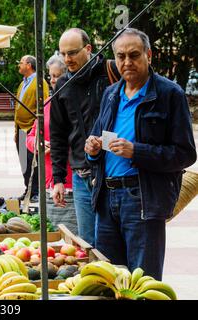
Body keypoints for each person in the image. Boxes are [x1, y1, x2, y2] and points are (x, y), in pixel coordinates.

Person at [85, 28, 196, 280]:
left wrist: (137, 151)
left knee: (143, 281)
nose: (127, 62)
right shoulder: (111, 94)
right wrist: (92, 150)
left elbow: (185, 154)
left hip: (143, 199)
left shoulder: (169, 94)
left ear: (149, 55)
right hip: (106, 197)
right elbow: (97, 141)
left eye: (134, 55)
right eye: (121, 56)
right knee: (106, 279)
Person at [50, 28, 120, 246]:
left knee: (112, 241)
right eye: (63, 54)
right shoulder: (63, 84)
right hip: (81, 174)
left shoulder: (111, 71)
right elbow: (58, 134)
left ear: (88, 49)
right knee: (87, 242)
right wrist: (59, 179)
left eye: (72, 53)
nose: (67, 59)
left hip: (111, 171)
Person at [27, 54, 76, 233]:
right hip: (48, 179)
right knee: (51, 233)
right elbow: (31, 136)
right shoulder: (47, 103)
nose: (53, 81)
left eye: (57, 75)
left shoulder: (75, 103)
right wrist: (38, 143)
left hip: (70, 180)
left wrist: (60, 144)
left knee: (72, 234)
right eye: (51, 76)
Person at [15, 55, 49, 203]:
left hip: (31, 128)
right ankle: (28, 189)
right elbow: (17, 108)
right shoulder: (22, 84)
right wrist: (15, 130)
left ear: (29, 65)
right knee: (24, 162)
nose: (19, 65)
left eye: (21, 63)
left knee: (33, 162)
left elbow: (45, 106)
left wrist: (39, 130)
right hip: (21, 128)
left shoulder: (40, 82)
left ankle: (36, 191)